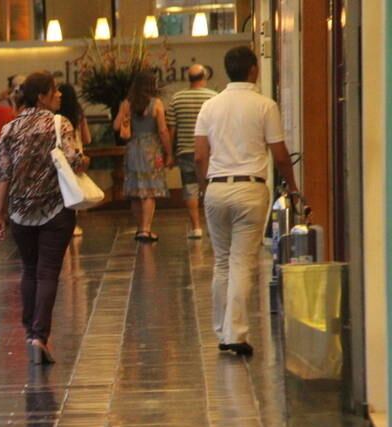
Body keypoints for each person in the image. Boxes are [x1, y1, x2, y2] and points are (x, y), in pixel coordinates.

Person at [195, 46, 299, 357]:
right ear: (253, 70)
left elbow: (200, 155)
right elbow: (280, 155)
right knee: (241, 262)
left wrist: (205, 188)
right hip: (251, 189)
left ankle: (221, 328)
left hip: (216, 188)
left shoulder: (209, 107)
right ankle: (235, 334)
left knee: (223, 262)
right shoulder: (265, 106)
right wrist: (292, 187)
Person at [0, 71, 86, 365]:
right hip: (54, 211)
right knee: (47, 273)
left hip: (20, 212)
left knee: (29, 271)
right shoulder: (59, 124)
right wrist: (85, 159)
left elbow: (2, 176)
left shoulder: (9, 129)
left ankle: (28, 329)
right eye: (55, 91)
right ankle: (38, 335)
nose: (59, 95)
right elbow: (76, 162)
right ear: (42, 96)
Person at [114, 71, 172, 242]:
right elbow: (162, 130)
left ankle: (140, 228)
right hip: (151, 149)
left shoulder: (126, 104)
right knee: (149, 190)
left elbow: (116, 125)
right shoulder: (157, 104)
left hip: (132, 148)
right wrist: (169, 152)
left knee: (136, 191)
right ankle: (146, 229)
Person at [167, 64, 218, 239]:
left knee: (190, 188)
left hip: (185, 150)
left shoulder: (177, 98)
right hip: (210, 151)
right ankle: (213, 227)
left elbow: (171, 129)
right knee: (211, 187)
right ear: (204, 76)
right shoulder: (213, 97)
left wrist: (170, 153)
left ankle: (196, 227)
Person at [57, 83, 92, 237]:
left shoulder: (55, 115)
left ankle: (62, 222)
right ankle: (73, 224)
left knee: (63, 188)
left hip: (62, 153)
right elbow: (87, 138)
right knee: (75, 189)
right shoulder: (78, 113)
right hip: (77, 152)